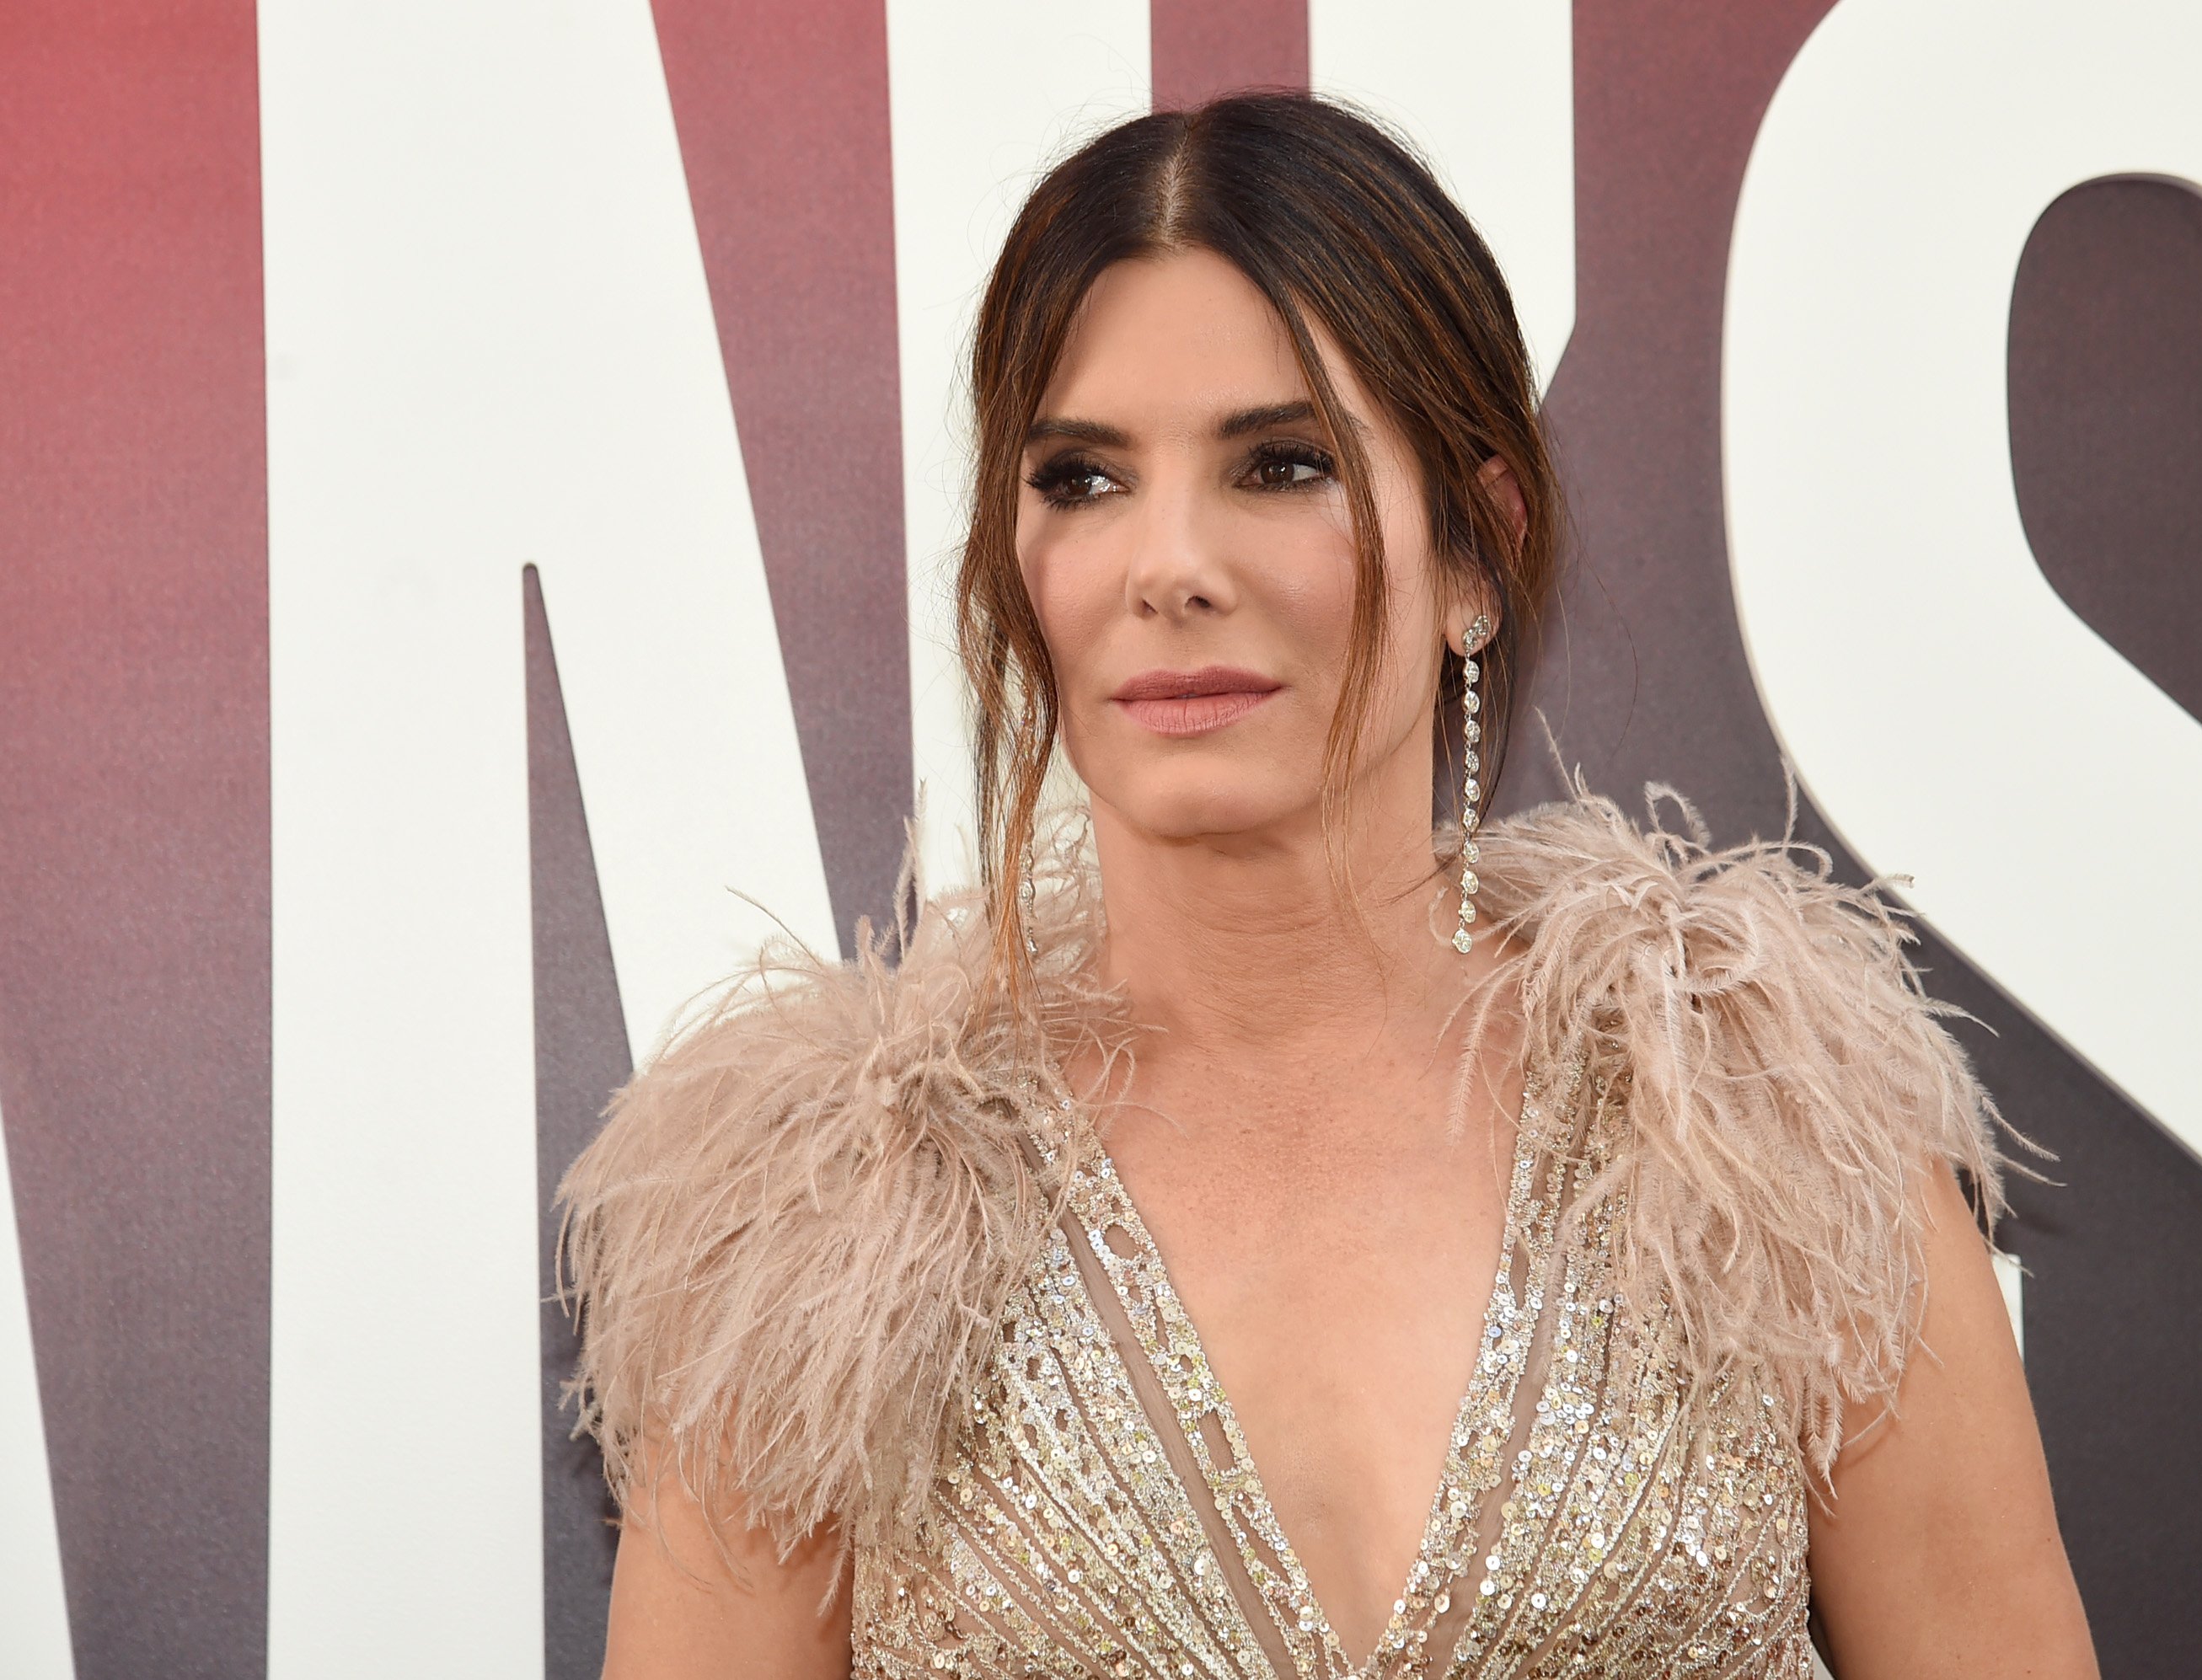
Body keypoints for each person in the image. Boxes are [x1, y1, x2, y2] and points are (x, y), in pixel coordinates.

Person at [562, 92, 2098, 1680]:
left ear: (1476, 551)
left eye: (1279, 464)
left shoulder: (1762, 1128)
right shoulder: (820, 1231)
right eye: (1084, 479)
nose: (1167, 562)